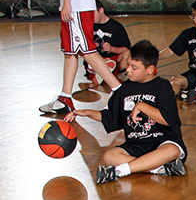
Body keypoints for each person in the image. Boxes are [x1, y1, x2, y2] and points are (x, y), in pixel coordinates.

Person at [63, 40, 187, 184]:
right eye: (128, 64)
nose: (128, 70)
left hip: (162, 141)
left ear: (150, 69)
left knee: (172, 150)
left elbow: (168, 119)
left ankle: (119, 171)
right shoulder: (125, 89)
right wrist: (86, 113)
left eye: (134, 67)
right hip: (136, 144)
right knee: (109, 156)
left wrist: (142, 106)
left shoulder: (162, 86)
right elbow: (111, 118)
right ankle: (159, 168)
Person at [39, 0, 122, 115]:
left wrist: (67, 2)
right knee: (70, 52)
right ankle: (65, 98)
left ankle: (120, 91)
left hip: (76, 3)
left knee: (87, 50)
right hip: (81, 1)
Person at [85, 0, 132, 85]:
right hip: (97, 59)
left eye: (93, 13)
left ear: (101, 10)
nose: (90, 17)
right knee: (96, 59)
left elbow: (126, 48)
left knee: (127, 53)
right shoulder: (88, 26)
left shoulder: (116, 27)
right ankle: (100, 73)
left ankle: (122, 75)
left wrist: (111, 49)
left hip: (113, 60)